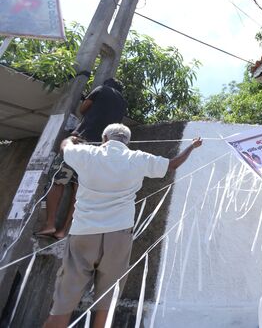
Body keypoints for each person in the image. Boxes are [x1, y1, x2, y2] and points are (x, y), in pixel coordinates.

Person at [43, 124, 203, 328]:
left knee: (64, 300)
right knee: (107, 298)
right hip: (118, 235)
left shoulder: (86, 153)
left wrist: (71, 140)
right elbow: (172, 165)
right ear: (127, 141)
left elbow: (64, 147)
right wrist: (192, 147)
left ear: (104, 137)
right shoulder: (137, 158)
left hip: (83, 233)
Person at [35, 78, 128, 240]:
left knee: (57, 180)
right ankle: (63, 230)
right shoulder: (123, 103)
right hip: (99, 151)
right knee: (80, 191)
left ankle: (50, 225)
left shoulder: (101, 89)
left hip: (80, 142)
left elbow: (83, 109)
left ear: (107, 84)